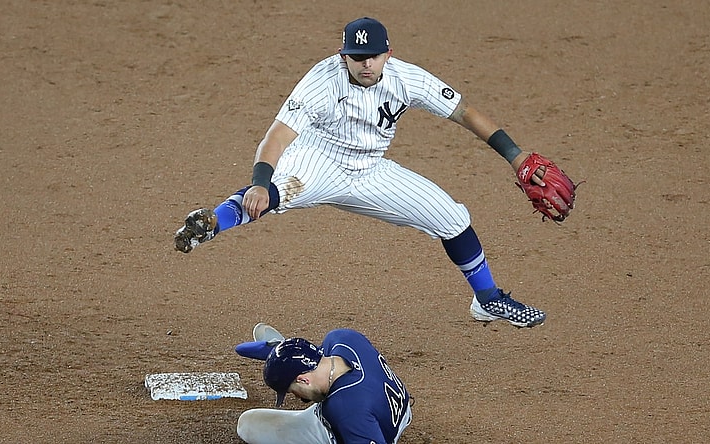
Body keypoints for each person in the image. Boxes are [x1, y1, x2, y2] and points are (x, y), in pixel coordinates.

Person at [175, 17, 551, 328]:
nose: (365, 64)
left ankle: (487, 298)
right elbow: (277, 136)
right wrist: (259, 182)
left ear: (388, 54)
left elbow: (465, 113)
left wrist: (516, 157)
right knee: (276, 191)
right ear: (344, 56)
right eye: (357, 58)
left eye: (373, 56)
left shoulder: (409, 79)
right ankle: (212, 222)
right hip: (320, 158)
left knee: (453, 219)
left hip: (371, 170)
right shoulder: (322, 81)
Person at [234, 324, 412, 444]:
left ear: (303, 379)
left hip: (369, 429)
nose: (296, 397)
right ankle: (283, 353)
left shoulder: (343, 410)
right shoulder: (343, 338)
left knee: (249, 424)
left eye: (293, 391)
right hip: (398, 406)